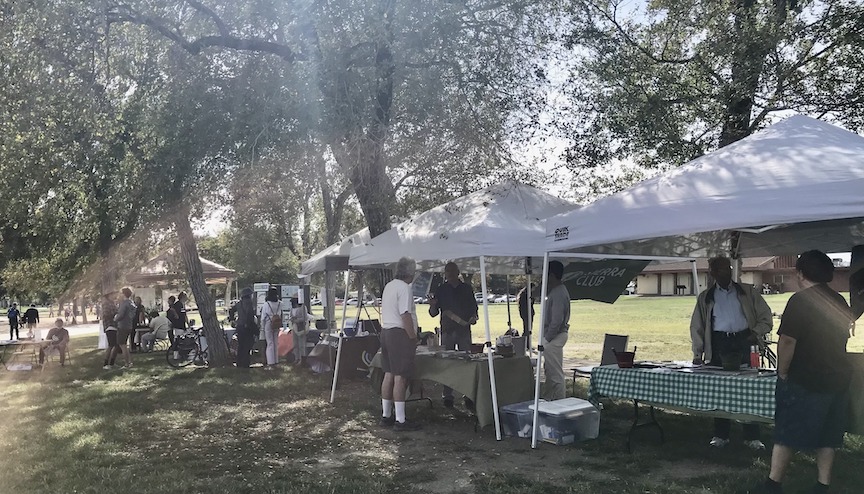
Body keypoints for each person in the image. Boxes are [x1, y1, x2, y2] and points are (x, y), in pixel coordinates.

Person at [757, 251, 854, 494]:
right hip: (838, 376)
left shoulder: (799, 301)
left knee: (787, 431)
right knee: (829, 435)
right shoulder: (839, 300)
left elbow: (788, 342)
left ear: (800, 274)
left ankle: (773, 484)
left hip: (805, 378)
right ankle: (822, 484)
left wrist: (783, 372)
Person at [690, 256, 772, 450]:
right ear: (712, 273)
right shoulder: (706, 297)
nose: (724, 272)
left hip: (745, 341)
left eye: (727, 268)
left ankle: (752, 436)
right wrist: (697, 353)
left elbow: (766, 317)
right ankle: (721, 435)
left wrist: (755, 333)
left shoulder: (747, 292)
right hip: (718, 344)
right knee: (719, 389)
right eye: (718, 269)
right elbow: (697, 327)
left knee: (750, 388)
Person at [428, 261, 478, 408]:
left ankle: (468, 394)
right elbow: (433, 313)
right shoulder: (441, 289)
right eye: (447, 271)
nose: (449, 274)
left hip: (464, 331)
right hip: (447, 331)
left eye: (452, 271)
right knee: (447, 364)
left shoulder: (467, 289)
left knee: (466, 362)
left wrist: (473, 317)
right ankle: (447, 395)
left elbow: (474, 309)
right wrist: (432, 304)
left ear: (458, 273)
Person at [379, 257, 421, 431]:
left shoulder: (390, 285)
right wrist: (413, 336)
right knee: (400, 376)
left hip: (386, 331)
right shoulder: (404, 288)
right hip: (399, 334)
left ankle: (386, 415)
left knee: (389, 374)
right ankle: (401, 420)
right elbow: (405, 315)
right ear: (410, 272)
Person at [542, 260, 570, 401]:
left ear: (551, 275)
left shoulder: (558, 293)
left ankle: (560, 403)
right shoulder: (557, 291)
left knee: (555, 374)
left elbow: (557, 320)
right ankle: (548, 401)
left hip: (555, 336)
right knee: (549, 371)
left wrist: (547, 338)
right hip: (555, 336)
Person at [234, 287, 258, 368]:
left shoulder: (238, 303)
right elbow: (249, 316)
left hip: (239, 327)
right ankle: (245, 363)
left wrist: (232, 319)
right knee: (247, 346)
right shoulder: (249, 303)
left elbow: (231, 310)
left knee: (241, 346)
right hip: (247, 327)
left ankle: (239, 363)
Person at [112, 287, 135, 368]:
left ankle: (127, 363)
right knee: (125, 345)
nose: (119, 295)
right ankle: (130, 362)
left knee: (122, 345)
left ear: (124, 294)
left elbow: (120, 315)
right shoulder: (131, 303)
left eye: (121, 293)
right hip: (129, 325)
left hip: (122, 326)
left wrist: (115, 318)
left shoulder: (124, 303)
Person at [259, 287, 282, 368]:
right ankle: (276, 360)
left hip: (268, 323)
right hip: (277, 323)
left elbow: (263, 317)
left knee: (270, 343)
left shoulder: (266, 304)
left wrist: (262, 327)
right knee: (275, 342)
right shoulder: (280, 303)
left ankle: (270, 362)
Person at [290, 298, 313, 366]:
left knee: (301, 344)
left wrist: (297, 320)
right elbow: (290, 315)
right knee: (295, 344)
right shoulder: (292, 309)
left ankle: (302, 359)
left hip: (301, 326)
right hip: (294, 326)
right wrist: (292, 319)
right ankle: (296, 358)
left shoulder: (303, 307)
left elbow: (305, 318)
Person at [102, 293, 120, 369]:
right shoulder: (106, 304)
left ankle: (112, 363)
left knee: (116, 345)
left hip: (115, 326)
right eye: (112, 295)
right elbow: (106, 314)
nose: (114, 296)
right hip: (110, 326)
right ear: (109, 296)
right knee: (111, 345)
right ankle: (106, 364)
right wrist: (116, 314)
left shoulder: (113, 303)